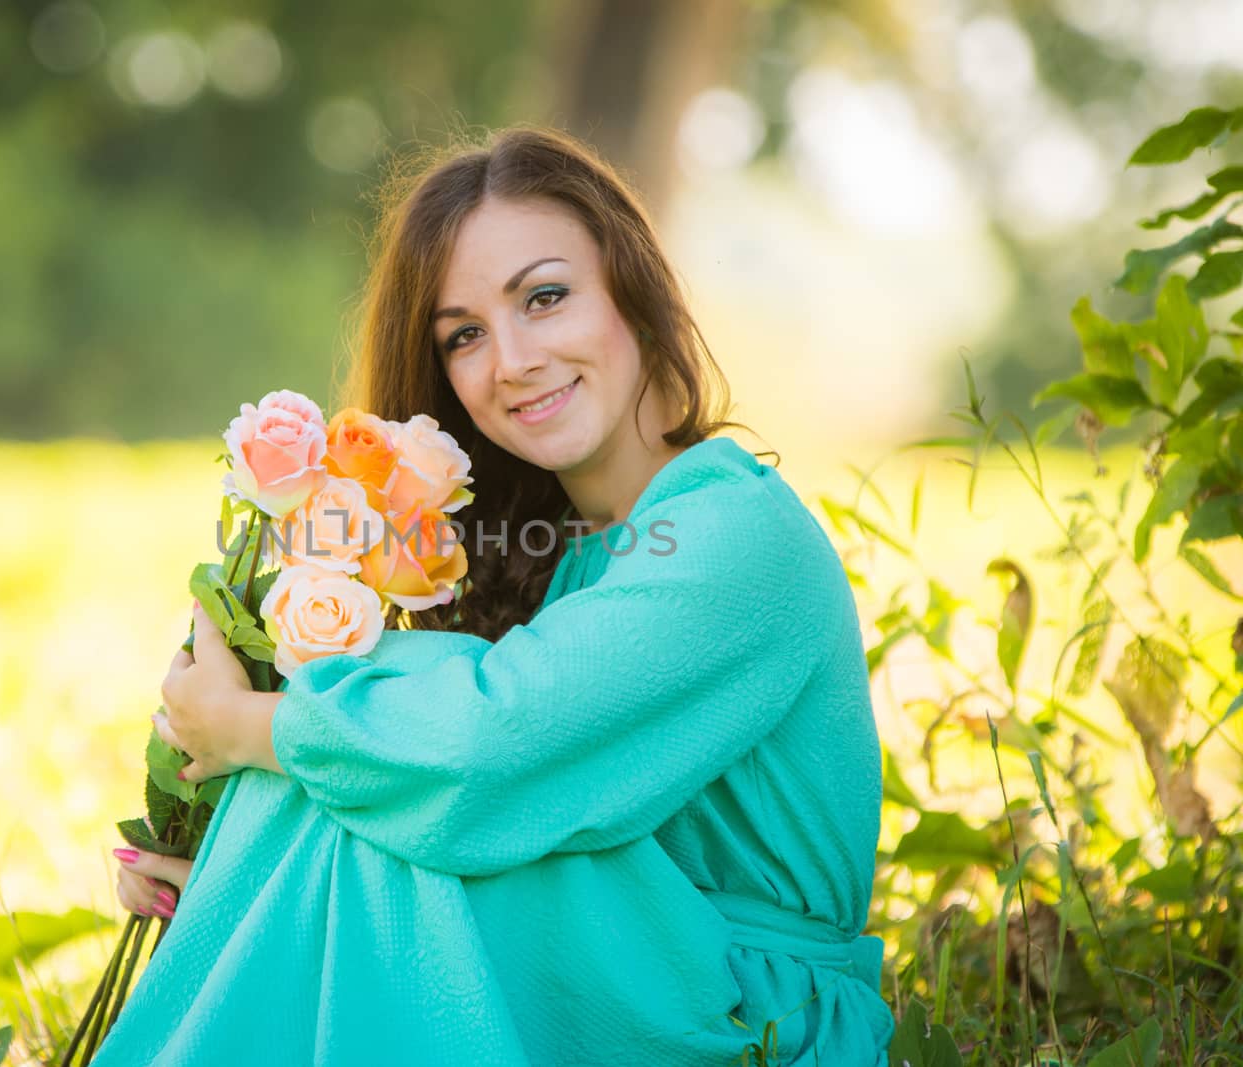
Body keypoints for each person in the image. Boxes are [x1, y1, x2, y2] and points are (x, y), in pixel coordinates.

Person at [93, 125, 894, 1065]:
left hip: (751, 1011)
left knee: (407, 758)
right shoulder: (558, 555)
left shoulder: (733, 535)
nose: (510, 359)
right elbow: (441, 782)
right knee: (384, 794)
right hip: (615, 960)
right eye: (465, 335)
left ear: (633, 296)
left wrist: (248, 728)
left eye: (544, 298)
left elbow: (487, 752)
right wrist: (239, 868)